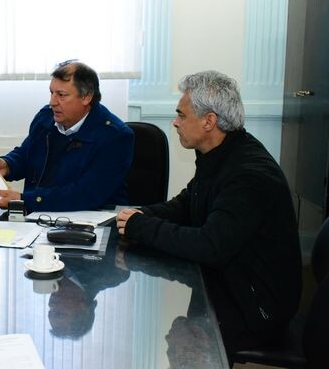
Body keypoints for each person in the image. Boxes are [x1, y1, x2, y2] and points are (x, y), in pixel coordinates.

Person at [115, 70, 302, 357]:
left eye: (181, 115)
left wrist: (140, 226)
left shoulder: (248, 175)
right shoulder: (219, 154)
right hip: (229, 283)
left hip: (256, 308)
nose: (175, 122)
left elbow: (209, 246)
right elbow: (184, 206)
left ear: (209, 121)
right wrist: (134, 216)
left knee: (158, 338)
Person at [0, 60, 134, 212]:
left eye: (61, 95)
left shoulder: (115, 136)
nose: (52, 102)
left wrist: (25, 200)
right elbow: (27, 153)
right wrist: (8, 164)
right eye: (52, 93)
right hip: (41, 213)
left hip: (93, 216)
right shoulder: (46, 117)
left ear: (86, 97)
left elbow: (86, 193)